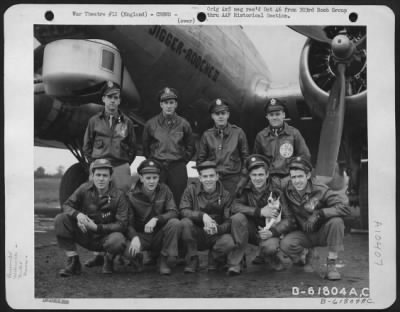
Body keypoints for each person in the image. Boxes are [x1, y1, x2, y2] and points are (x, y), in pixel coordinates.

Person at [54, 158, 129, 277]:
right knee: (61, 219)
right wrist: (78, 215)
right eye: (98, 175)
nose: (101, 179)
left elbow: (122, 224)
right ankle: (73, 261)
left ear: (110, 177)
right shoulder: (84, 189)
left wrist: (97, 227)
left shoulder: (119, 196)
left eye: (105, 175)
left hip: (104, 237)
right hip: (85, 233)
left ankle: (108, 260)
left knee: (118, 240)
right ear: (92, 176)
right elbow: (67, 205)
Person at [279, 156, 351, 280]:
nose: (297, 181)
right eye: (294, 177)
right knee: (285, 244)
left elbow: (344, 208)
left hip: (321, 232)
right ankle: (305, 253)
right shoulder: (286, 189)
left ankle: (331, 265)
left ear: (307, 176)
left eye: (300, 176)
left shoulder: (320, 189)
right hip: (304, 232)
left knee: (337, 222)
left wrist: (320, 213)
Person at [180, 161, 248, 275]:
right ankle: (193, 258)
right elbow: (183, 210)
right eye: (205, 176)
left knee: (228, 242)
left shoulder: (226, 195)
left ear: (217, 176)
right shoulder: (190, 190)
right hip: (198, 233)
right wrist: (202, 216)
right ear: (200, 178)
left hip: (216, 235)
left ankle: (214, 257)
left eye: (211, 176)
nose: (208, 179)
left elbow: (228, 221)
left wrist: (218, 229)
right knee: (184, 223)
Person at [231, 154, 297, 269]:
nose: (257, 178)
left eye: (261, 174)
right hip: (252, 230)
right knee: (237, 218)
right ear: (250, 176)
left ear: (267, 175)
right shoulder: (245, 188)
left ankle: (269, 256)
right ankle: (237, 262)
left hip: (270, 231)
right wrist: (259, 211)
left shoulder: (276, 190)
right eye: (254, 175)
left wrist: (273, 231)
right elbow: (234, 207)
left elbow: (289, 219)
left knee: (269, 247)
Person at [125, 159, 182, 275]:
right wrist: (134, 237)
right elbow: (127, 222)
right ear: (141, 178)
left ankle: (163, 259)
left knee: (175, 223)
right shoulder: (131, 195)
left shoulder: (165, 190)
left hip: (159, 233)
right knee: (128, 252)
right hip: (141, 235)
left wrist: (157, 219)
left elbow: (173, 211)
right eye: (148, 178)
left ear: (158, 178)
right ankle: (138, 258)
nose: (152, 181)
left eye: (155, 178)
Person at [142, 87, 195, 205]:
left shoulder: (184, 124)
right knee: (157, 199)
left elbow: (191, 146)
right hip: (158, 167)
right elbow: (145, 146)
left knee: (178, 199)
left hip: (177, 167)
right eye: (166, 103)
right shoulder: (151, 124)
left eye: (171, 103)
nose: (169, 106)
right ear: (161, 104)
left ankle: (176, 222)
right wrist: (153, 161)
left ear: (176, 104)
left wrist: (181, 161)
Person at [83, 81, 137, 192]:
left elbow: (133, 147)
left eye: (116, 97)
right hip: (99, 166)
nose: (112, 100)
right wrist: (94, 162)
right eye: (109, 97)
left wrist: (125, 163)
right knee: (97, 200)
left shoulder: (127, 122)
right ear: (103, 99)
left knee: (122, 199)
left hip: (120, 166)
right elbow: (87, 145)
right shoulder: (94, 121)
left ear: (119, 101)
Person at [253, 98, 311, 190]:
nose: (275, 117)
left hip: (290, 179)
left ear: (283, 115)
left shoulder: (294, 133)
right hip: (269, 181)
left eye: (277, 114)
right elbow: (257, 161)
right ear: (267, 117)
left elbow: (305, 156)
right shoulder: (261, 136)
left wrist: (294, 175)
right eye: (271, 115)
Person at [197, 98, 250, 196]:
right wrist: (205, 180)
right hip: (213, 180)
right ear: (212, 116)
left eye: (223, 113)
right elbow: (200, 160)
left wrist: (243, 179)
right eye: (217, 114)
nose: (220, 116)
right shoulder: (207, 135)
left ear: (228, 114)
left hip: (233, 180)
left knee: (233, 209)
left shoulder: (238, 133)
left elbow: (246, 158)